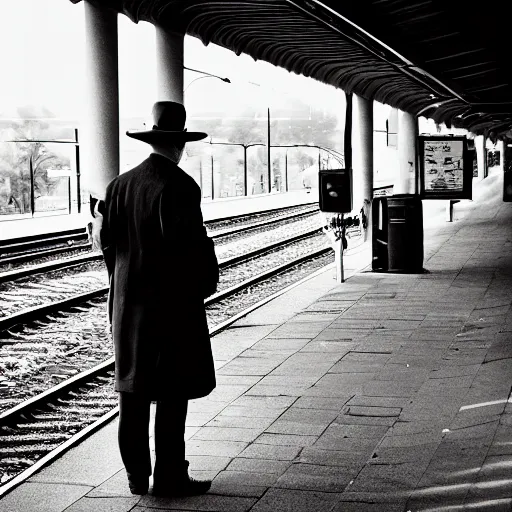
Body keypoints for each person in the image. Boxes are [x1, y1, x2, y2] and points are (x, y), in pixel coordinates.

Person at [99, 101, 219, 497]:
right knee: (172, 393)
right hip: (169, 309)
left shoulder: (119, 185)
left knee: (131, 394)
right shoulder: (181, 187)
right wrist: (206, 279)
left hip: (128, 308)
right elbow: (188, 253)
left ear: (151, 141)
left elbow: (109, 248)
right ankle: (170, 475)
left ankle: (137, 477)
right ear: (180, 145)